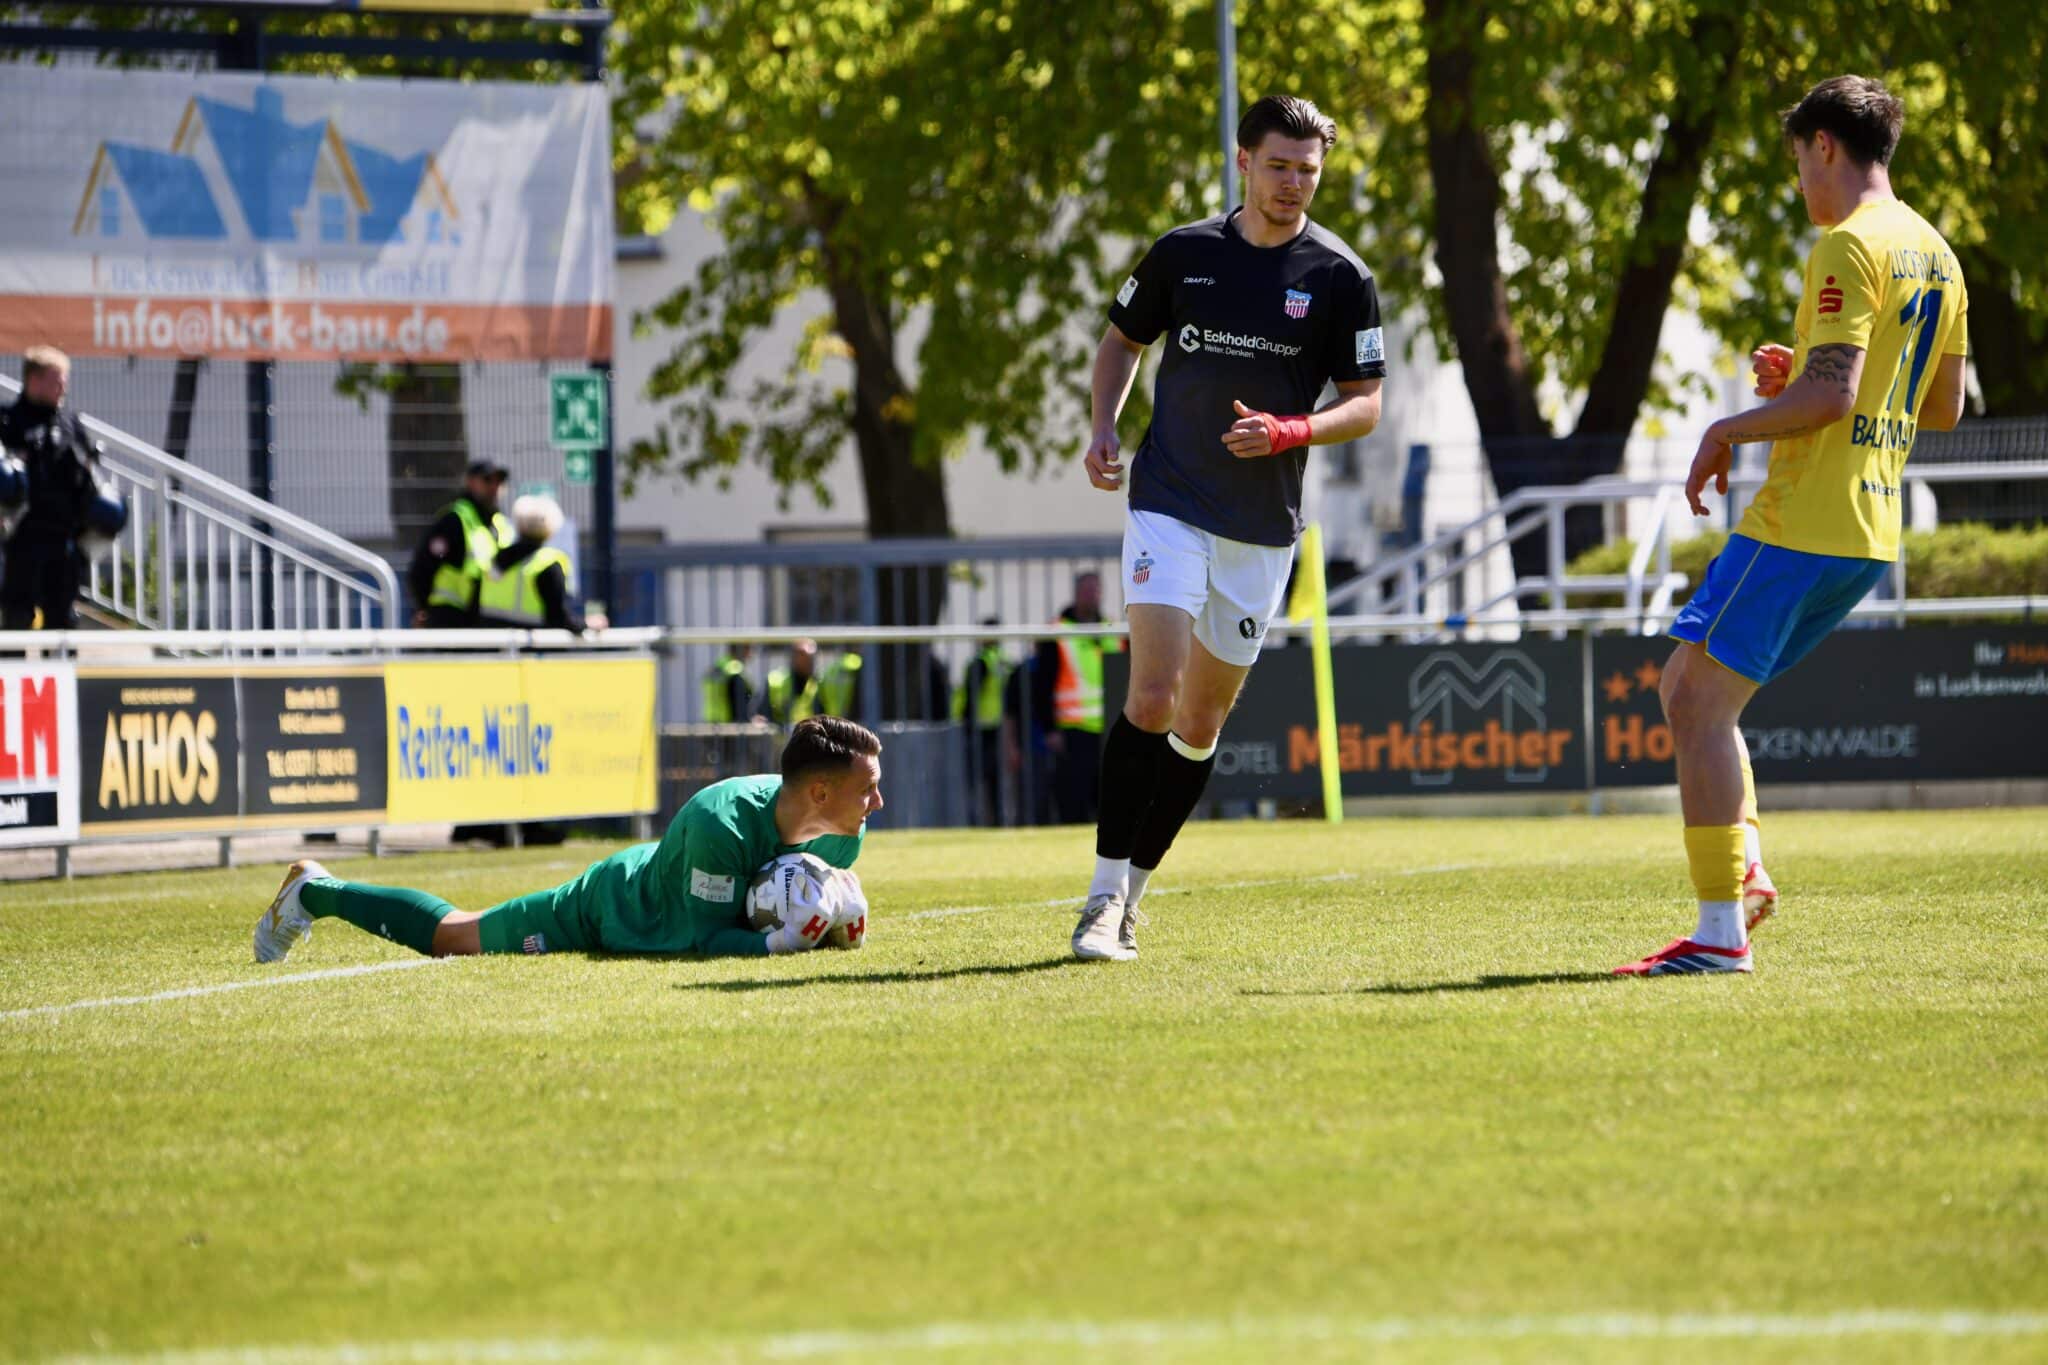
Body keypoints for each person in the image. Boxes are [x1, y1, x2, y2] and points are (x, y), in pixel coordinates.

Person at [1617, 75, 1968, 977]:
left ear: (1823, 145)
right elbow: (1942, 407)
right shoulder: (1936, 251)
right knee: (1688, 686)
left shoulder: (1848, 245)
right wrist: (1804, 377)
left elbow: (1836, 394)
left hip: (1802, 516)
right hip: (1867, 529)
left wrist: (1728, 425)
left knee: (1696, 701)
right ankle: (1750, 871)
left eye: (1797, 163)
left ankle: (1718, 932)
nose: (1799, 186)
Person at [1070, 94, 1386, 961]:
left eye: (1309, 171)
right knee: (1152, 694)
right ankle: (1099, 899)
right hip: (1168, 499)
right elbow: (1121, 342)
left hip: (1262, 527)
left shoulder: (1340, 277)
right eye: (1279, 166)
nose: (1294, 185)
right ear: (1243, 161)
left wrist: (1292, 430)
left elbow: (1365, 407)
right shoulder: (1184, 252)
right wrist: (1104, 425)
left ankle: (1133, 896)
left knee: (1200, 724)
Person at [254, 715, 880, 961]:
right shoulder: (721, 823)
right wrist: (785, 943)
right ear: (819, 794)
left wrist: (835, 915)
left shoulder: (840, 838)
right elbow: (701, 939)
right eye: (867, 789)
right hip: (609, 906)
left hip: (666, 884)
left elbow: (768, 900)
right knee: (454, 938)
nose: (878, 802)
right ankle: (317, 890)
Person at [1, 346, 104, 631]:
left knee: (63, 623)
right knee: (16, 618)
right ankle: (11, 675)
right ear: (34, 380)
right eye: (56, 379)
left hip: (63, 542)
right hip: (20, 540)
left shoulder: (71, 424)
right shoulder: (8, 422)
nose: (63, 386)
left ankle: (63, 673)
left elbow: (91, 475)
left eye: (65, 380)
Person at [1033, 572, 1122, 825]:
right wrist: (1050, 728)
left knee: (1111, 802)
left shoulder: (1112, 628)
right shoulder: (1057, 631)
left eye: (1095, 590)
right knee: (1074, 801)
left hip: (1111, 728)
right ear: (1075, 593)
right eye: (1086, 590)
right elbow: (1042, 686)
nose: (1091, 595)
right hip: (1073, 730)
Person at [475, 494, 601, 633]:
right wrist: (586, 624)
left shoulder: (495, 561)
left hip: (491, 644)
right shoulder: (547, 564)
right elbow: (559, 617)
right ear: (552, 527)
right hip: (533, 647)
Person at [407, 460, 511, 628]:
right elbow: (422, 568)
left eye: (499, 481)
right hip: (451, 618)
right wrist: (425, 609)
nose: (494, 487)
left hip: (488, 617)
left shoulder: (500, 523)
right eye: (487, 480)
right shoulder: (454, 520)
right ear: (470, 482)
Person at [953, 620, 1010, 826]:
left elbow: (970, 696)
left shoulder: (981, 662)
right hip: (999, 727)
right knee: (995, 783)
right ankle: (997, 821)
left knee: (974, 782)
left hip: (979, 729)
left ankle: (974, 822)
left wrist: (964, 720)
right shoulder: (1003, 661)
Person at [765, 639, 863, 723]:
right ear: (793, 658)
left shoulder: (821, 682)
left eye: (810, 657)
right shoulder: (777, 681)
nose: (806, 661)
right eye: (801, 656)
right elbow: (764, 711)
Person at [702, 642, 761, 723]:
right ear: (741, 650)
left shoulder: (719, 665)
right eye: (748, 649)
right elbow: (739, 699)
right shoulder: (735, 669)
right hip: (728, 721)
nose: (750, 654)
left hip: (710, 718)